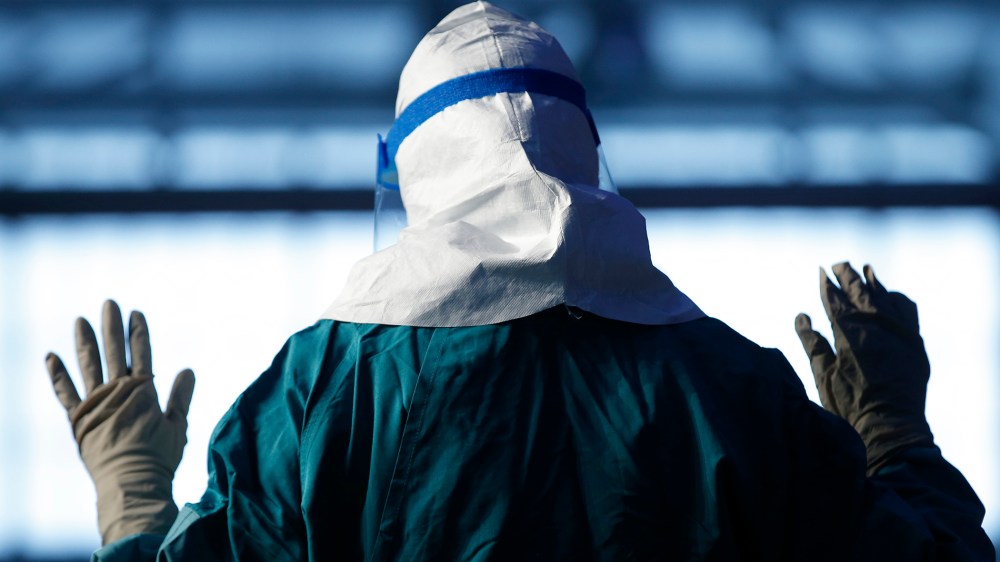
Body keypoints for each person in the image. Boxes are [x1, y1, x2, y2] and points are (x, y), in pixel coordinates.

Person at [45, 3, 993, 560]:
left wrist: (132, 498)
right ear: (586, 153)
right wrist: (895, 436)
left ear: (411, 171)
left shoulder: (322, 392)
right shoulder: (737, 393)